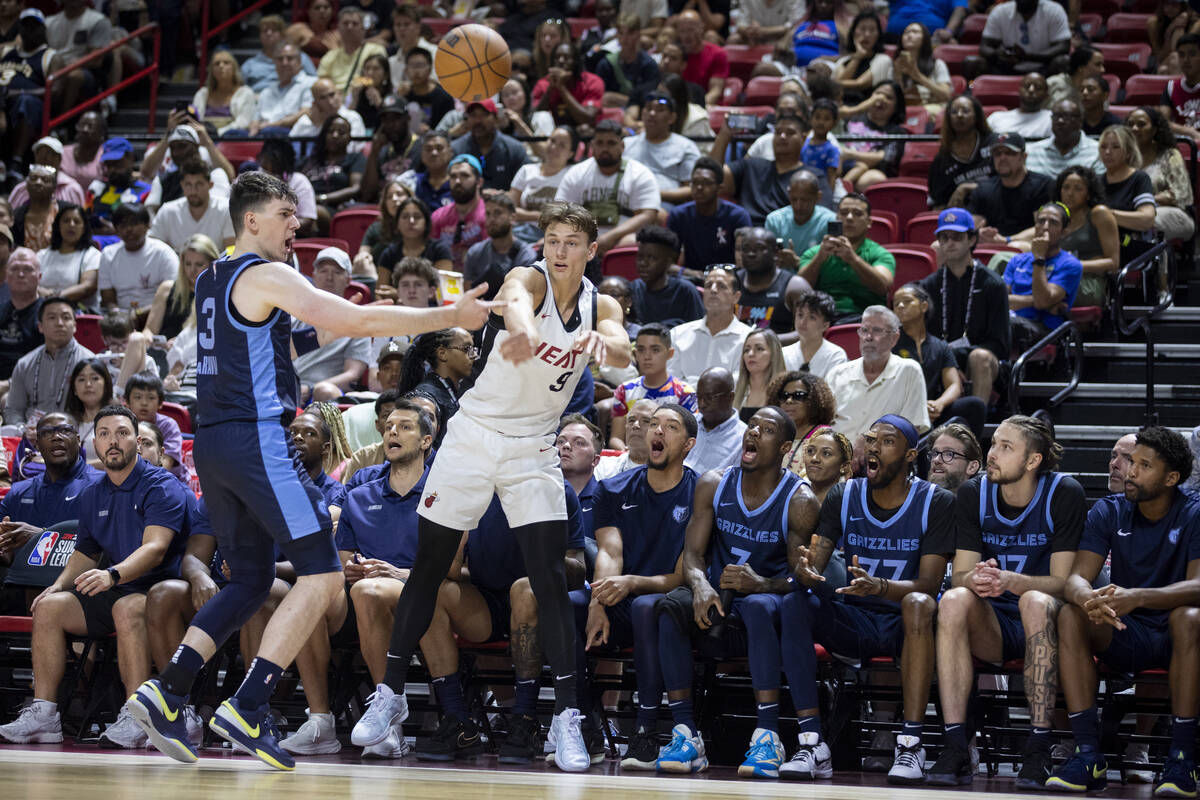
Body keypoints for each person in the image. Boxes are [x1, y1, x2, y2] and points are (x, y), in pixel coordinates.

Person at [123, 170, 497, 770]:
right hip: (256, 439)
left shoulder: (212, 277)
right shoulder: (264, 272)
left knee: (246, 580)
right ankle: (247, 704)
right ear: (250, 219)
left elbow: (294, 334)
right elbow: (350, 323)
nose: (295, 223)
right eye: (284, 213)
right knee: (323, 576)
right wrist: (443, 315)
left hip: (211, 443)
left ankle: (167, 691)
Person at [348, 202, 628, 773]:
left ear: (591, 250)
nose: (558, 250)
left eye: (572, 242)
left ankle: (567, 717)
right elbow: (519, 303)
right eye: (551, 239)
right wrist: (523, 332)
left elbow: (621, 344)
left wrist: (605, 346)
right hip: (474, 434)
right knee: (428, 566)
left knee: (549, 579)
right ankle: (391, 695)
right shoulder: (528, 277)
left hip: (534, 445)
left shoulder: (603, 303)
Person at [0, 406, 189, 749]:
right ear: (95, 444)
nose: (112, 441)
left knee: (127, 608)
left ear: (137, 439)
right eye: (103, 434)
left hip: (161, 590)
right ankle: (45, 714)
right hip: (114, 585)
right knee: (49, 607)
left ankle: (138, 714)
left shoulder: (162, 485)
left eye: (121, 433)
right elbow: (85, 553)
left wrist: (112, 574)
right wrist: (57, 585)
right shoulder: (93, 493)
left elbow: (156, 549)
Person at [782, 415, 954, 782]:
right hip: (856, 618)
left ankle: (910, 743)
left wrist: (880, 587)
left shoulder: (935, 502)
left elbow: (928, 584)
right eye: (871, 439)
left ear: (910, 455)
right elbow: (817, 561)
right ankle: (812, 741)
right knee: (795, 602)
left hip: (905, 623)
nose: (874, 447)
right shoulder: (845, 495)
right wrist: (804, 570)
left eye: (887, 442)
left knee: (919, 604)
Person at [652, 407, 819, 777]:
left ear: (785, 447)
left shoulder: (800, 500)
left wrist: (760, 583)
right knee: (668, 607)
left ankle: (768, 735)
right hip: (718, 595)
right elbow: (693, 555)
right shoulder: (713, 482)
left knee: (759, 606)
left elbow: (798, 579)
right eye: (753, 426)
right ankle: (685, 733)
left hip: (767, 598)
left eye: (768, 429)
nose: (754, 433)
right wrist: (699, 584)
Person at [926, 415, 1084, 789]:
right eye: (994, 443)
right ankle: (956, 744)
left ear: (1033, 461)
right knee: (953, 599)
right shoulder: (972, 494)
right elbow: (962, 573)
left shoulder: (1064, 492)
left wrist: (1014, 581)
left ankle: (1039, 748)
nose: (993, 453)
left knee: (1034, 600)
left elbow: (1064, 585)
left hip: (1049, 621)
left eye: (1005, 447)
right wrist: (978, 579)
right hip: (994, 625)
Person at [1046, 427, 1200, 795]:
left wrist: (1139, 597)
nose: (1130, 471)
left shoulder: (1193, 511)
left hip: (1174, 632)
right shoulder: (1109, 510)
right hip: (1125, 627)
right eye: (1131, 461)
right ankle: (1087, 754)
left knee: (1189, 615)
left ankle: (1182, 760)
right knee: (1070, 613)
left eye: (1144, 465)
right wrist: (1090, 599)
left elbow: (1198, 586)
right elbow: (1075, 579)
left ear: (1171, 478)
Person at [579, 404, 698, 769]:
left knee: (650, 606)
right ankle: (583, 724)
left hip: (674, 600)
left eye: (670, 426)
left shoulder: (700, 493)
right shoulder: (613, 488)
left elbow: (683, 574)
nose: (657, 431)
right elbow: (609, 553)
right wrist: (598, 602)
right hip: (622, 595)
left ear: (688, 444)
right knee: (567, 604)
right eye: (653, 424)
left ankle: (645, 729)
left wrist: (631, 583)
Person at [919, 208, 1011, 404]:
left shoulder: (992, 284)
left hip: (982, 360)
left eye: (957, 237)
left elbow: (1000, 344)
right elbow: (923, 337)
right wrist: (948, 363)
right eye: (944, 237)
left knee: (980, 358)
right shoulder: (928, 286)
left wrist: (952, 357)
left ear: (971, 240)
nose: (950, 243)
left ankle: (976, 426)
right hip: (940, 359)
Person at [825, 306, 930, 452]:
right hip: (834, 455)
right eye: (864, 330)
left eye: (877, 331)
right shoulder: (838, 373)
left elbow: (912, 429)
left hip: (881, 458)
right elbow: (821, 423)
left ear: (894, 338)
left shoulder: (909, 371)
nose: (868, 337)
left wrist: (869, 441)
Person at [0, 413, 100, 565]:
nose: (56, 437)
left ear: (78, 440)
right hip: (18, 582)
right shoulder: (18, 492)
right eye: (47, 432)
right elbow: (7, 556)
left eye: (65, 430)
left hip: (74, 583)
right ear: (37, 444)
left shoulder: (101, 485)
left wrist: (41, 536)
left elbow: (102, 547)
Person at [893, 283, 987, 439]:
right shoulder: (891, 342)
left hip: (932, 409)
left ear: (924, 306)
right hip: (902, 410)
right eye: (896, 304)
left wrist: (939, 404)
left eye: (907, 301)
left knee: (975, 405)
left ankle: (971, 456)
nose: (900, 306)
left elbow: (954, 385)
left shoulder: (940, 346)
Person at [555, 119, 661, 258]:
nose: (605, 148)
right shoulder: (577, 173)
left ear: (622, 146)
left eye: (611, 143)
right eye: (600, 143)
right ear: (592, 146)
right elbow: (560, 210)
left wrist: (610, 237)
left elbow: (648, 215)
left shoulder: (639, 173)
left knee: (631, 241)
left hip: (621, 239)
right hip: (582, 240)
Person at [798, 194, 896, 323]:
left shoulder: (880, 254)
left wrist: (853, 259)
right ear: (837, 218)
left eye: (857, 214)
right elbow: (800, 289)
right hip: (822, 319)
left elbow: (883, 286)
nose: (849, 218)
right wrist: (819, 258)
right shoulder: (815, 253)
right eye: (844, 213)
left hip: (866, 320)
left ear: (869, 222)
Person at [294, 247, 374, 403]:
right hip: (291, 388)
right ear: (314, 276)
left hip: (324, 393)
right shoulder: (295, 314)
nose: (329, 277)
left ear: (348, 280)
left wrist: (311, 389)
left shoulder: (357, 321)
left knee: (324, 391)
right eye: (323, 271)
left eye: (337, 272)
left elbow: (353, 375)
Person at [1003, 203, 1082, 352]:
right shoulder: (1017, 260)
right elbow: (1001, 301)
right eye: (1041, 221)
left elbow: (1042, 300)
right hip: (1011, 321)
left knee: (1001, 325)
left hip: (1044, 329)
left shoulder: (1070, 264)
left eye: (1053, 223)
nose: (1045, 227)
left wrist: (1039, 258)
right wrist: (1035, 301)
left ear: (1064, 232)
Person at [4, 297, 93, 427]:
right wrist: (23, 430)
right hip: (31, 435)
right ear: (40, 326)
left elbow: (96, 409)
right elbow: (13, 409)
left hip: (73, 435)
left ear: (75, 326)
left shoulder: (90, 362)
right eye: (52, 318)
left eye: (66, 317)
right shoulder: (25, 363)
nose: (59, 323)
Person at [711, 114, 808, 227]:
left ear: (803, 138)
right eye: (777, 132)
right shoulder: (751, 165)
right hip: (745, 233)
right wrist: (724, 135)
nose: (782, 136)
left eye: (790, 133)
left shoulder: (809, 177)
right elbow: (713, 177)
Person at [611, 323, 697, 448]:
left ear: (670, 354)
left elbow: (689, 439)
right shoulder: (624, 390)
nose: (647, 356)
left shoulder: (685, 393)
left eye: (655, 350)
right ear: (635, 354)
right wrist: (628, 454)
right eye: (641, 350)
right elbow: (616, 437)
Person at [668, 266, 751, 386]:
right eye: (708, 285)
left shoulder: (748, 339)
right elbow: (671, 383)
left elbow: (739, 386)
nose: (713, 290)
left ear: (736, 297)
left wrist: (690, 382)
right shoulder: (677, 334)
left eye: (721, 286)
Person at [669, 158, 752, 277]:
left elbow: (746, 262)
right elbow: (667, 264)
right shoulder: (679, 215)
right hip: (692, 279)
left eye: (707, 183)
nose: (699, 187)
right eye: (695, 182)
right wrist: (689, 273)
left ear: (719, 188)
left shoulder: (737, 216)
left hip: (730, 279)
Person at [1128, 106, 1196, 243]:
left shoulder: (1170, 155)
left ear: (1154, 129)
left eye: (1141, 124)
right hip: (1133, 211)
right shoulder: (1125, 156)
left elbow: (1181, 194)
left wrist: (1144, 201)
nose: (1134, 128)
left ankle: (1149, 264)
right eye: (1130, 125)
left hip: (1173, 213)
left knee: (1142, 221)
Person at [0, 10, 56, 176]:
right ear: (19, 28)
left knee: (26, 101)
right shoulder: (6, 52)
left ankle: (16, 163)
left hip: (28, 105)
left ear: (43, 29)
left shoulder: (49, 56)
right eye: (26, 26)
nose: (30, 30)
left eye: (35, 26)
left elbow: (55, 90)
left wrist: (19, 92)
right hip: (2, 99)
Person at [396, 327, 477, 444]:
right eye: (467, 349)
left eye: (474, 349)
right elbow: (416, 447)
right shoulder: (426, 398)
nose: (474, 355)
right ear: (443, 354)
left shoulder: (451, 391)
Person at [966, 133, 1054, 237]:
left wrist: (1008, 241)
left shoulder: (1042, 186)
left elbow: (1043, 227)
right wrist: (980, 233)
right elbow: (974, 226)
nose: (1002, 158)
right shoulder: (983, 189)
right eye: (997, 154)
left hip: (1028, 247)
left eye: (1009, 153)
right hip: (991, 245)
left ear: (1023, 157)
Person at [622, 91, 701, 207]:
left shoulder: (686, 147)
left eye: (660, 110)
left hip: (665, 204)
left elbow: (691, 188)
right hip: (625, 202)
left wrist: (652, 193)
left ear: (672, 117)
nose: (652, 113)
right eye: (648, 108)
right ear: (642, 114)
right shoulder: (626, 144)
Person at [99, 204, 179, 314]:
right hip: (122, 318)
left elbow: (172, 297)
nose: (129, 229)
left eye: (134, 223)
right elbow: (108, 299)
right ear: (116, 230)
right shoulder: (108, 254)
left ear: (147, 225)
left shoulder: (164, 253)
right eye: (123, 225)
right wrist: (117, 315)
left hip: (158, 314)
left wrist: (138, 314)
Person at [737, 227, 812, 336]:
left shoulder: (795, 287)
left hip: (780, 350)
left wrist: (764, 343)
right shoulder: (731, 283)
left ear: (775, 253)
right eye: (746, 248)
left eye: (759, 248)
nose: (751, 253)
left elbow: (809, 332)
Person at [148, 161, 235, 253]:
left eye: (199, 184)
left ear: (210, 185)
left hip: (217, 266)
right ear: (182, 185)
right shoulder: (167, 211)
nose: (193, 191)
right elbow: (153, 250)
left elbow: (231, 253)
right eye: (188, 185)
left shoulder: (226, 210)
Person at [145, 234, 217, 344]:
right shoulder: (167, 289)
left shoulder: (219, 293)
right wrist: (147, 337)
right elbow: (150, 330)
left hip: (194, 354)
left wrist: (180, 344)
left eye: (199, 264)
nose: (192, 270)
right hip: (162, 351)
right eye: (187, 264)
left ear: (213, 264)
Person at [1099, 125, 1158, 257]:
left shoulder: (1139, 179)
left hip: (1128, 245)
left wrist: (1107, 215)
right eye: (1103, 147)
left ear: (1128, 152)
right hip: (1097, 245)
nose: (1107, 152)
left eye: (1115, 147)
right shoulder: (1096, 182)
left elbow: (1147, 219)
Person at [463, 193, 537, 298]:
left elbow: (524, 297)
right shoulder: (475, 252)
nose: (491, 219)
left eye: (497, 213)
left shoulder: (526, 256)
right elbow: (468, 295)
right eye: (488, 214)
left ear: (513, 218)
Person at [510, 126, 578, 237]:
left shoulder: (573, 175)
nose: (554, 147)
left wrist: (527, 215)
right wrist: (538, 216)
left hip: (557, 235)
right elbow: (510, 210)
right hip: (520, 232)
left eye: (562, 145)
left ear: (571, 153)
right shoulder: (526, 171)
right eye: (552, 140)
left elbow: (567, 216)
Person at [840, 81, 909, 191]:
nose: (881, 99)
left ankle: (842, 189)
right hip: (840, 165)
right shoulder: (852, 117)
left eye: (888, 97)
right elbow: (830, 114)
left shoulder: (897, 132)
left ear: (897, 106)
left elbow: (882, 157)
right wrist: (859, 109)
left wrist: (850, 154)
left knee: (875, 178)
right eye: (877, 94)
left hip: (868, 172)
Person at [452, 99, 531, 193]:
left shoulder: (514, 149)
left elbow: (527, 184)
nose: (478, 121)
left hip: (505, 204)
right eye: (473, 115)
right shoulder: (457, 148)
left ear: (496, 118)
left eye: (484, 115)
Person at [929, 96, 993, 210]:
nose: (959, 115)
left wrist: (966, 187)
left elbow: (1008, 181)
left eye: (966, 110)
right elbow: (938, 203)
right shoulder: (942, 159)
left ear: (977, 116)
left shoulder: (993, 144)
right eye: (954, 112)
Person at [631, 226, 703, 327]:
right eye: (640, 257)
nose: (643, 263)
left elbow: (698, 331)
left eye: (652, 258)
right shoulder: (634, 288)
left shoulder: (685, 291)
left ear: (669, 262)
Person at [770, 370, 837, 477]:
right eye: (784, 395)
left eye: (798, 395)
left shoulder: (825, 436)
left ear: (814, 400)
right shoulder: (776, 434)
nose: (789, 400)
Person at [767, 171, 837, 270]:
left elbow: (832, 266)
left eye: (805, 200)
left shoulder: (831, 221)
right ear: (789, 194)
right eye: (794, 199)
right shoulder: (774, 220)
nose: (798, 206)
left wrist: (796, 262)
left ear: (818, 197)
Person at [979, 0, 1070, 75]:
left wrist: (1028, 57)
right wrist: (998, 54)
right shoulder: (1000, 11)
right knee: (973, 63)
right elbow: (984, 46)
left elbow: (1064, 46)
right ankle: (971, 93)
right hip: (1007, 68)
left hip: (1043, 67)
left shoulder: (1054, 10)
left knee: (1063, 61)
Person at [124, 372, 186, 481]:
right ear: (127, 402)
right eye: (138, 397)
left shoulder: (169, 426)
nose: (144, 403)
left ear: (160, 403)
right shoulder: (122, 425)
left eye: (151, 398)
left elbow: (166, 464)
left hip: (167, 482)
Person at [685, 367, 746, 475]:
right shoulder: (687, 422)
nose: (702, 404)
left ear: (730, 397)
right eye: (699, 397)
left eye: (709, 397)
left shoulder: (743, 438)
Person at [247, 43, 317, 137]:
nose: (285, 63)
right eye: (280, 59)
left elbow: (307, 111)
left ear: (299, 61)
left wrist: (274, 125)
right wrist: (253, 128)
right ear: (274, 63)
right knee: (232, 134)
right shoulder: (267, 91)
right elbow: (255, 118)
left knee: (269, 132)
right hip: (264, 134)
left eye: (289, 58)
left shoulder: (310, 83)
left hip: (291, 135)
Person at [378, 199, 454, 284]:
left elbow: (443, 290)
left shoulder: (440, 250)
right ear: (397, 224)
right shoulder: (389, 253)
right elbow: (380, 292)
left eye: (417, 217)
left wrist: (398, 293)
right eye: (405, 217)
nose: (411, 221)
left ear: (426, 223)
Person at [596, 14, 661, 111]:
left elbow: (648, 102)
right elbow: (600, 99)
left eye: (630, 33)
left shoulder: (649, 65)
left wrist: (616, 99)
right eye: (621, 33)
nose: (625, 38)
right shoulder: (606, 64)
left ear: (638, 34)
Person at [532, 41, 604, 128]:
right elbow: (534, 118)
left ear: (576, 61)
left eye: (566, 58)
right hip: (552, 134)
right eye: (557, 57)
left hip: (583, 133)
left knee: (585, 128)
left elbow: (587, 118)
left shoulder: (592, 82)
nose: (561, 61)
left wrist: (562, 88)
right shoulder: (543, 84)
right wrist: (550, 88)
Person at [362, 95, 418, 204]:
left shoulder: (420, 148)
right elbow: (367, 194)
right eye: (385, 120)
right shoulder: (381, 151)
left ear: (407, 118)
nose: (390, 124)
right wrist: (374, 153)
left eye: (396, 118)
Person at [1025, 100, 1103, 178]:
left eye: (1066, 116)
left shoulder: (1097, 152)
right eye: (1056, 116)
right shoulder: (1033, 151)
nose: (1060, 121)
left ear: (1080, 121)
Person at [85, 138, 151, 230]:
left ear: (131, 158)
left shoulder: (145, 191)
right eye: (108, 165)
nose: (112, 169)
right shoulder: (96, 188)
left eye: (117, 163)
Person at [317, 6, 387, 91]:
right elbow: (320, 86)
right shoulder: (329, 56)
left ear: (363, 28)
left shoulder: (375, 51)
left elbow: (378, 82)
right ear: (338, 27)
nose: (350, 27)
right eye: (345, 23)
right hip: (334, 101)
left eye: (355, 23)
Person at [241, 15, 315, 92]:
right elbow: (239, 91)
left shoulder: (299, 57)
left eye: (273, 30)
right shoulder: (249, 64)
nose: (269, 33)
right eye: (265, 31)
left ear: (282, 34)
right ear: (260, 36)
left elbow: (314, 83)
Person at [781, 290, 847, 377]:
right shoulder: (784, 354)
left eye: (812, 317)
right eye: (800, 315)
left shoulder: (836, 356)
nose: (803, 322)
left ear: (825, 325)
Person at [834, 10, 894, 106]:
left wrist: (832, 83)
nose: (867, 34)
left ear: (878, 35)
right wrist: (858, 56)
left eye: (872, 30)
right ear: (854, 32)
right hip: (842, 106)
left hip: (869, 108)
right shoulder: (843, 61)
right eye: (862, 29)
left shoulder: (883, 59)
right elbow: (840, 83)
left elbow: (860, 84)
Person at [192, 50, 257, 137]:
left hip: (231, 139)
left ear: (234, 68)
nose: (221, 66)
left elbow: (244, 122)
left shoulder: (246, 93)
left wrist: (218, 133)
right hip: (202, 136)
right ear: (211, 70)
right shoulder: (202, 93)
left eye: (226, 63)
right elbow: (195, 120)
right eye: (217, 63)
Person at [0, 248, 42, 381]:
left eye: (28, 269)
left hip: (30, 384)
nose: (21, 274)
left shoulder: (48, 315)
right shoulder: (1, 310)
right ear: (6, 276)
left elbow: (48, 363)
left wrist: (8, 385)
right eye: (15, 269)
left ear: (39, 277)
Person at [8, 137, 86, 208]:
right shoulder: (21, 189)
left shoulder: (71, 189)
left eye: (50, 154)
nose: (45, 158)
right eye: (40, 153)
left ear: (59, 159)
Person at [894, 22, 953, 110]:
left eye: (915, 32)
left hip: (930, 108)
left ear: (925, 38)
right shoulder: (896, 64)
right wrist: (898, 75)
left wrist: (918, 76)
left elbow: (946, 95)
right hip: (904, 109)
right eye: (906, 32)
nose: (909, 35)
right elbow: (895, 97)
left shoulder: (937, 64)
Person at [289, 78, 367, 143]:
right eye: (323, 98)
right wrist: (317, 126)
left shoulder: (352, 118)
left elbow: (353, 148)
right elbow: (290, 146)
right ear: (315, 103)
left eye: (332, 95)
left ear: (339, 94)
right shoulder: (305, 122)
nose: (330, 101)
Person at [734, 328, 788, 423]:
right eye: (747, 350)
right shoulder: (735, 389)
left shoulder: (785, 393)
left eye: (759, 349)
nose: (750, 354)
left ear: (774, 354)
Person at [676, 10, 728, 106]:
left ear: (701, 28)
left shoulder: (717, 54)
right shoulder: (674, 55)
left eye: (691, 30)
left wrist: (695, 108)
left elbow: (715, 91)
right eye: (683, 31)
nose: (687, 36)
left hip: (707, 108)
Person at [401, 48, 455, 132]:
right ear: (406, 70)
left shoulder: (444, 97)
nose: (416, 71)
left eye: (420, 66)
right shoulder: (402, 95)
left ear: (430, 69)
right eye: (412, 66)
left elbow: (451, 128)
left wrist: (430, 132)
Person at [986, 72, 1053, 139]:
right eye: (1026, 86)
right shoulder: (996, 118)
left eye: (1038, 87)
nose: (1031, 90)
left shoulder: (1053, 119)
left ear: (1046, 95)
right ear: (1019, 90)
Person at [1160, 34, 1200, 141]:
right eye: (1181, 55)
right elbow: (1163, 122)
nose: (1186, 60)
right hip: (1181, 144)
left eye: (1192, 54)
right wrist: (1189, 132)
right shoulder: (1171, 87)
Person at [399, 132, 452, 212]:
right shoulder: (410, 182)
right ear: (422, 154)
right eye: (428, 149)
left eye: (439, 148)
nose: (434, 153)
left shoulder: (458, 184)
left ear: (450, 152)